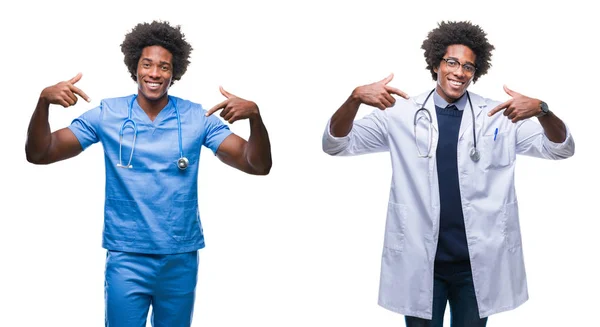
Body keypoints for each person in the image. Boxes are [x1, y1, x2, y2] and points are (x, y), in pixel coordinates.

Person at [321, 20, 574, 327]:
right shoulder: (401, 114)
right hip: (421, 261)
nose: (459, 72)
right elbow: (336, 144)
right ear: (436, 63)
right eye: (452, 62)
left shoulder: (499, 117)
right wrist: (354, 99)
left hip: (476, 264)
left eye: (468, 66)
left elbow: (560, 148)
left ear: (475, 73)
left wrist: (543, 110)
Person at [25, 20, 272, 326]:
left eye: (164, 67)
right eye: (147, 64)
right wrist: (42, 103)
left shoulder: (197, 118)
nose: (155, 74)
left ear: (175, 72)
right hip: (127, 257)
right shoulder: (108, 114)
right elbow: (40, 153)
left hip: (180, 257)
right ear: (135, 67)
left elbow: (257, 165)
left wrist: (256, 118)